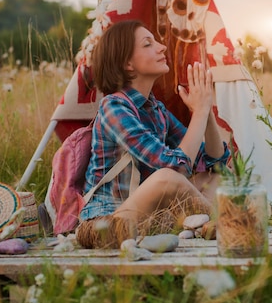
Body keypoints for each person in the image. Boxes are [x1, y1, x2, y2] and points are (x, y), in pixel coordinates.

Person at [75, 19, 229, 248]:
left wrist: (205, 113)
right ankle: (227, 223)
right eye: (148, 44)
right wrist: (198, 113)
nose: (162, 47)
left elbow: (214, 163)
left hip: (149, 214)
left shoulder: (157, 110)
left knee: (215, 177)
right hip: (110, 220)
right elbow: (174, 169)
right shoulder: (114, 107)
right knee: (166, 178)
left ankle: (210, 222)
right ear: (127, 63)